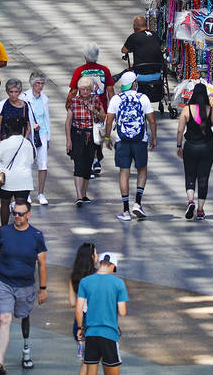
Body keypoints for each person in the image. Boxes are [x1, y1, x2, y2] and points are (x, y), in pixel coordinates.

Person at [0, 197, 48, 374]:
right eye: (14, 213)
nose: (17, 217)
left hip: (26, 285)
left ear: (28, 215)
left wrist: (43, 288)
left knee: (24, 315)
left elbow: (42, 263)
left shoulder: (36, 236)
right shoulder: (4, 232)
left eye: (20, 214)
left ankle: (26, 351)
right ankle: (0, 362)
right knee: (5, 318)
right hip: (4, 282)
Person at [105, 72, 156, 222]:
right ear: (134, 84)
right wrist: (154, 138)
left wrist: (107, 137)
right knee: (142, 170)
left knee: (124, 173)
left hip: (122, 141)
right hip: (140, 141)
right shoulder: (143, 98)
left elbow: (109, 121)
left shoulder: (116, 99)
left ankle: (125, 210)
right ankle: (138, 203)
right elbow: (152, 121)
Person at [175, 82, 213, 220]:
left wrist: (179, 146)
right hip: (207, 147)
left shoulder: (187, 110)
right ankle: (201, 209)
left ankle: (190, 202)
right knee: (203, 177)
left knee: (190, 175)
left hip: (190, 146)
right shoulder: (212, 111)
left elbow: (180, 130)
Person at [75, 254, 128, 375]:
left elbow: (78, 310)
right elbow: (122, 312)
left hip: (91, 334)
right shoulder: (119, 283)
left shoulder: (85, 281)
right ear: (113, 266)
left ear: (99, 264)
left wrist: (80, 327)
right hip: (109, 334)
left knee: (90, 371)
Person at [68, 43, 114, 179]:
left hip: (84, 108)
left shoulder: (80, 71)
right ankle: (96, 160)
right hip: (101, 108)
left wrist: (69, 105)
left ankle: (93, 160)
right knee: (97, 133)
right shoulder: (104, 70)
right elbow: (110, 90)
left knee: (88, 134)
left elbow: (73, 91)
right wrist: (113, 108)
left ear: (85, 56)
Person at [0, 115, 36, 230]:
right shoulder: (27, 143)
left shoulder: (5, 143)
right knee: (22, 206)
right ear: (22, 129)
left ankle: (4, 229)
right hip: (24, 180)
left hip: (7, 180)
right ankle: (22, 228)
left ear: (8, 128)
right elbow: (31, 160)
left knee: (5, 203)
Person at [65, 76, 101, 206]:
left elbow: (103, 116)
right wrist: (69, 140)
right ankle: (79, 195)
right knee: (78, 164)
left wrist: (95, 111)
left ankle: (84, 194)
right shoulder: (74, 102)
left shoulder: (95, 100)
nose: (85, 92)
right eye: (83, 90)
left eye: (87, 89)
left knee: (88, 165)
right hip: (78, 134)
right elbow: (68, 122)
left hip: (91, 135)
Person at [66, 243, 98, 371]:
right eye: (96, 253)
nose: (97, 256)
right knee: (91, 361)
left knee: (86, 360)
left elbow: (73, 302)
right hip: (94, 320)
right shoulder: (96, 276)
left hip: (79, 321)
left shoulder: (73, 276)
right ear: (91, 257)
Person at [121, 15, 164, 110]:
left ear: (135, 26)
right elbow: (161, 47)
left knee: (129, 70)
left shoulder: (134, 37)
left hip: (140, 74)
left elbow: (124, 50)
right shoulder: (155, 34)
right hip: (157, 73)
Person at [24, 71, 52, 204]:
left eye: (42, 83)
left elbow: (47, 119)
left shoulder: (44, 99)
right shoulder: (25, 97)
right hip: (30, 135)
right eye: (38, 83)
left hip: (42, 134)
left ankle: (41, 193)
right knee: (28, 164)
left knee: (43, 164)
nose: (40, 86)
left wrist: (48, 138)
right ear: (32, 84)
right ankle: (26, 193)